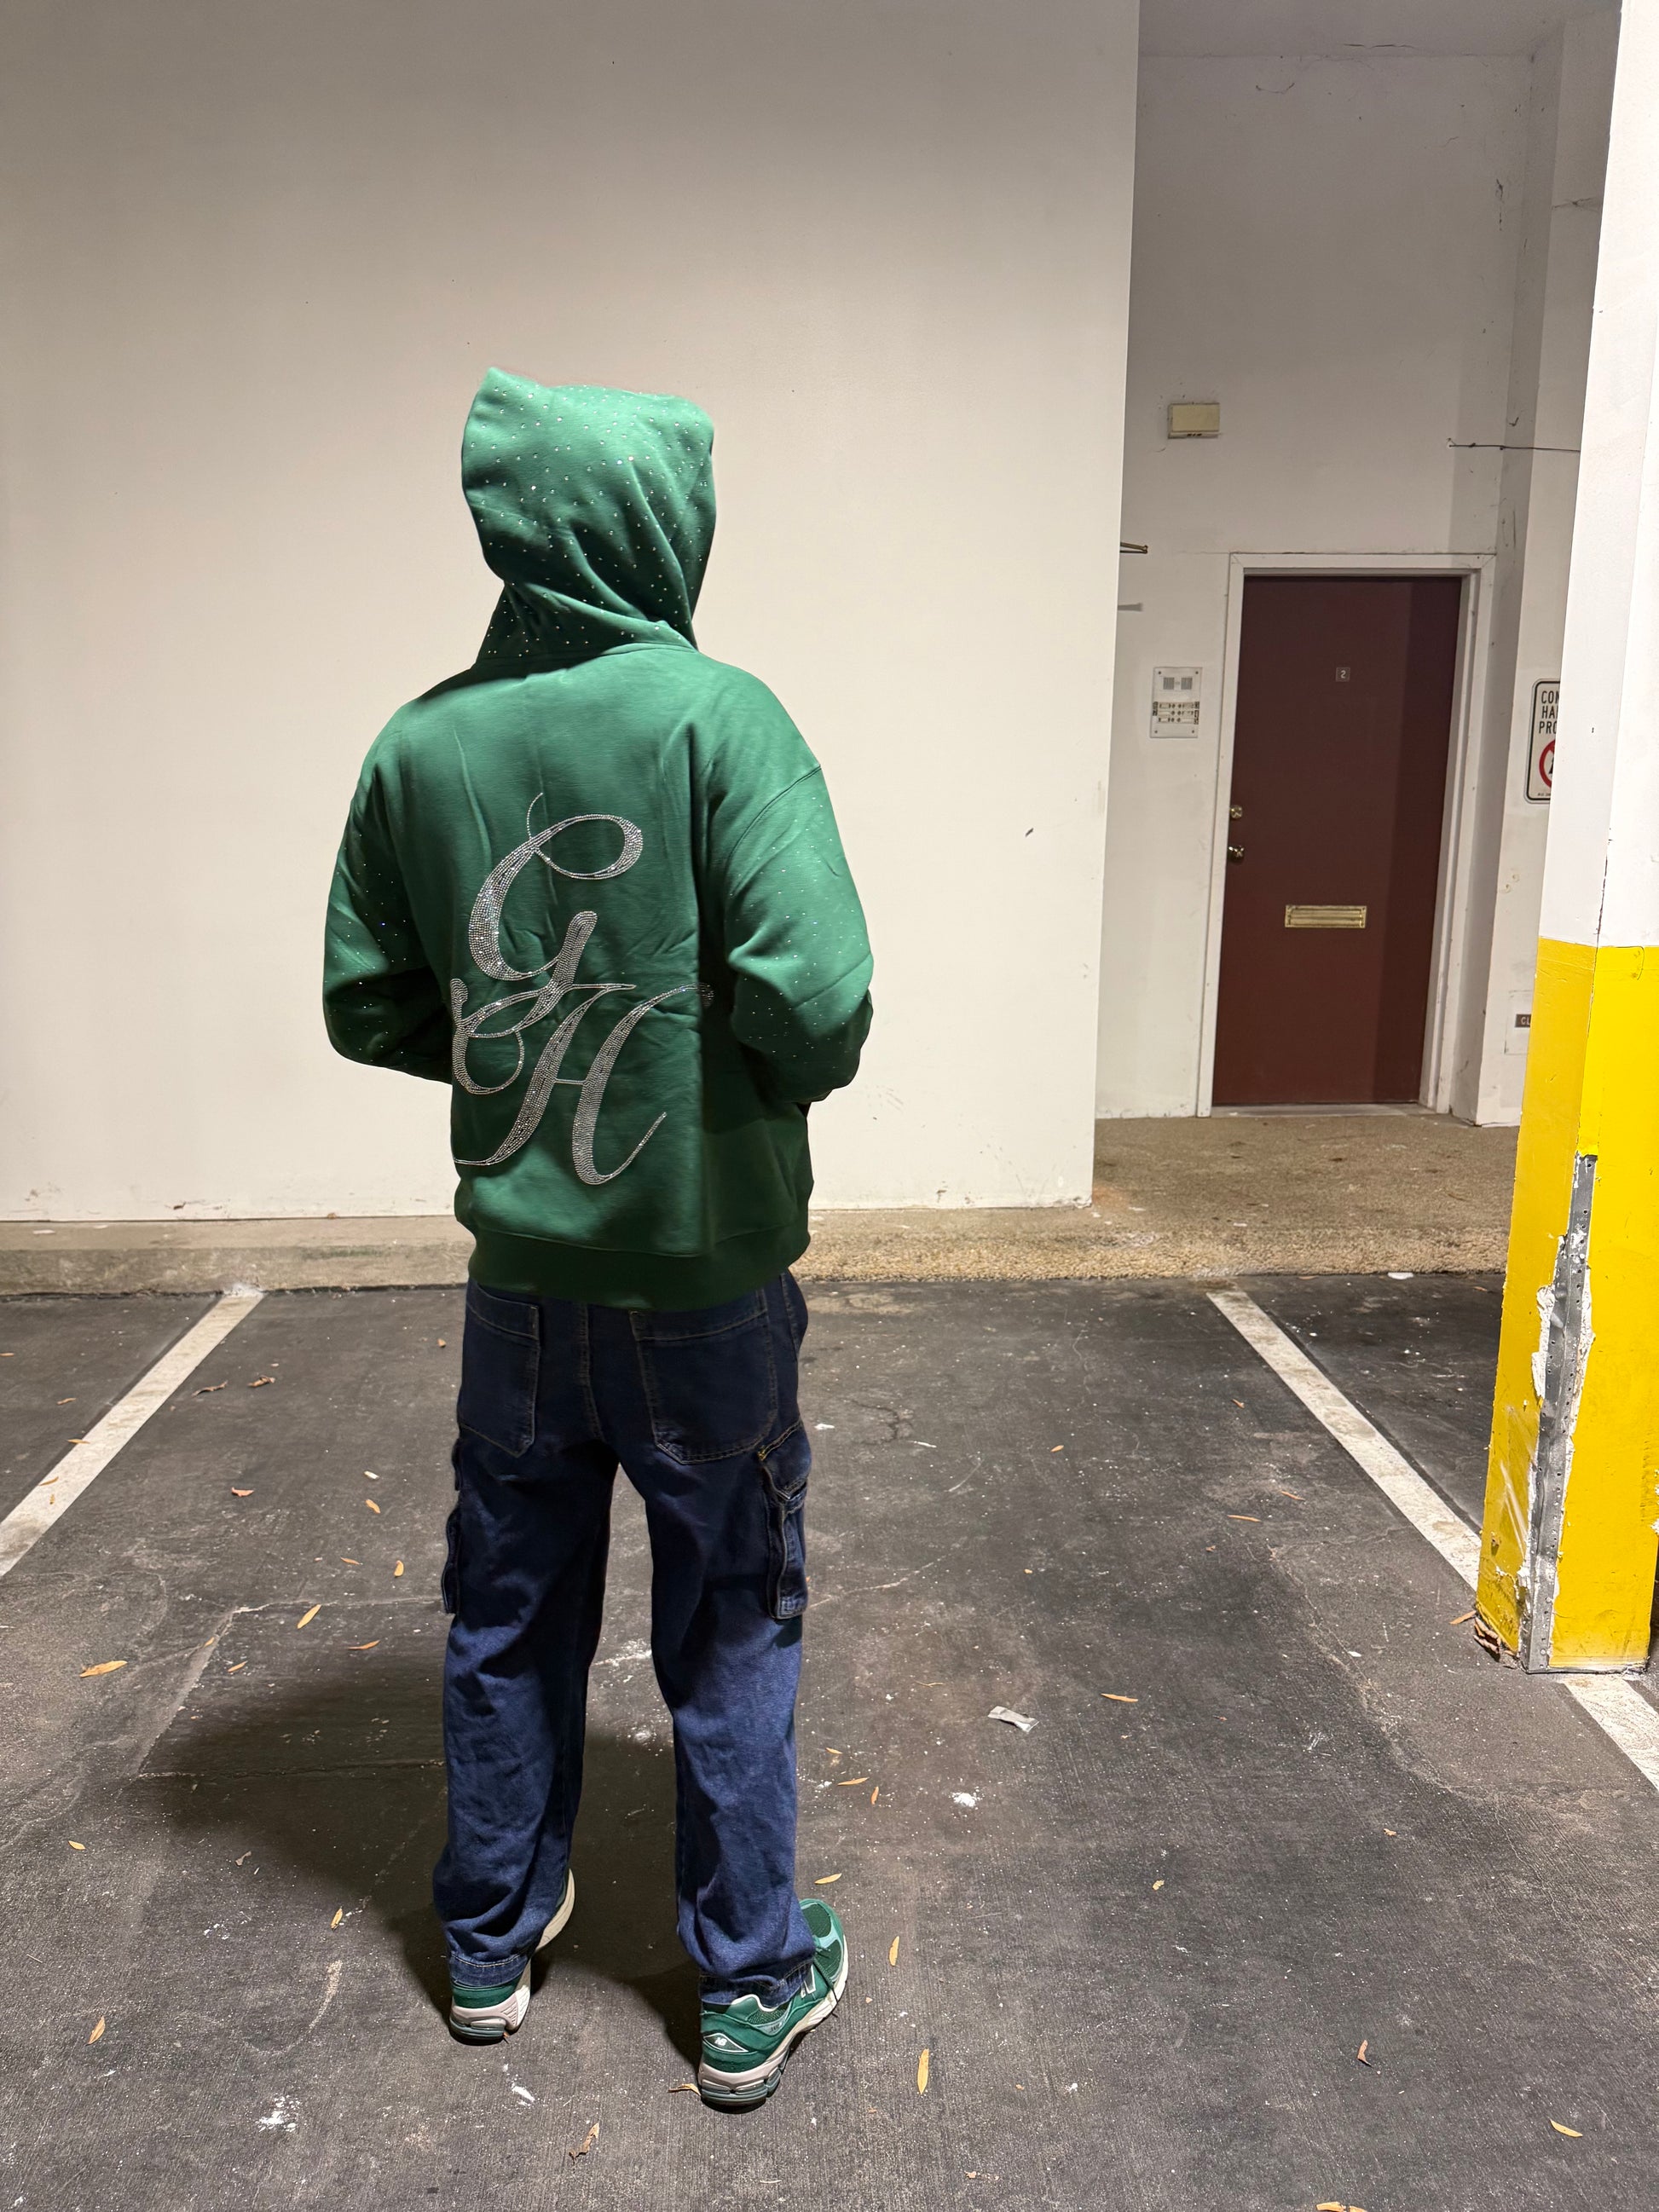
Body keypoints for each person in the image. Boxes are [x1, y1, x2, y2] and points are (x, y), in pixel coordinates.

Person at [322, 369, 873, 2109]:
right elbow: (820, 1000)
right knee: (731, 1622)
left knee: (505, 1609)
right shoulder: (723, 721)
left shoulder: (420, 743)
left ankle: (488, 1941)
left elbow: (365, 1000)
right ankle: (747, 1983)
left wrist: (524, 1051)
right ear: (664, 525)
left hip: (521, 1291)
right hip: (703, 1284)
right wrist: (716, 1076)